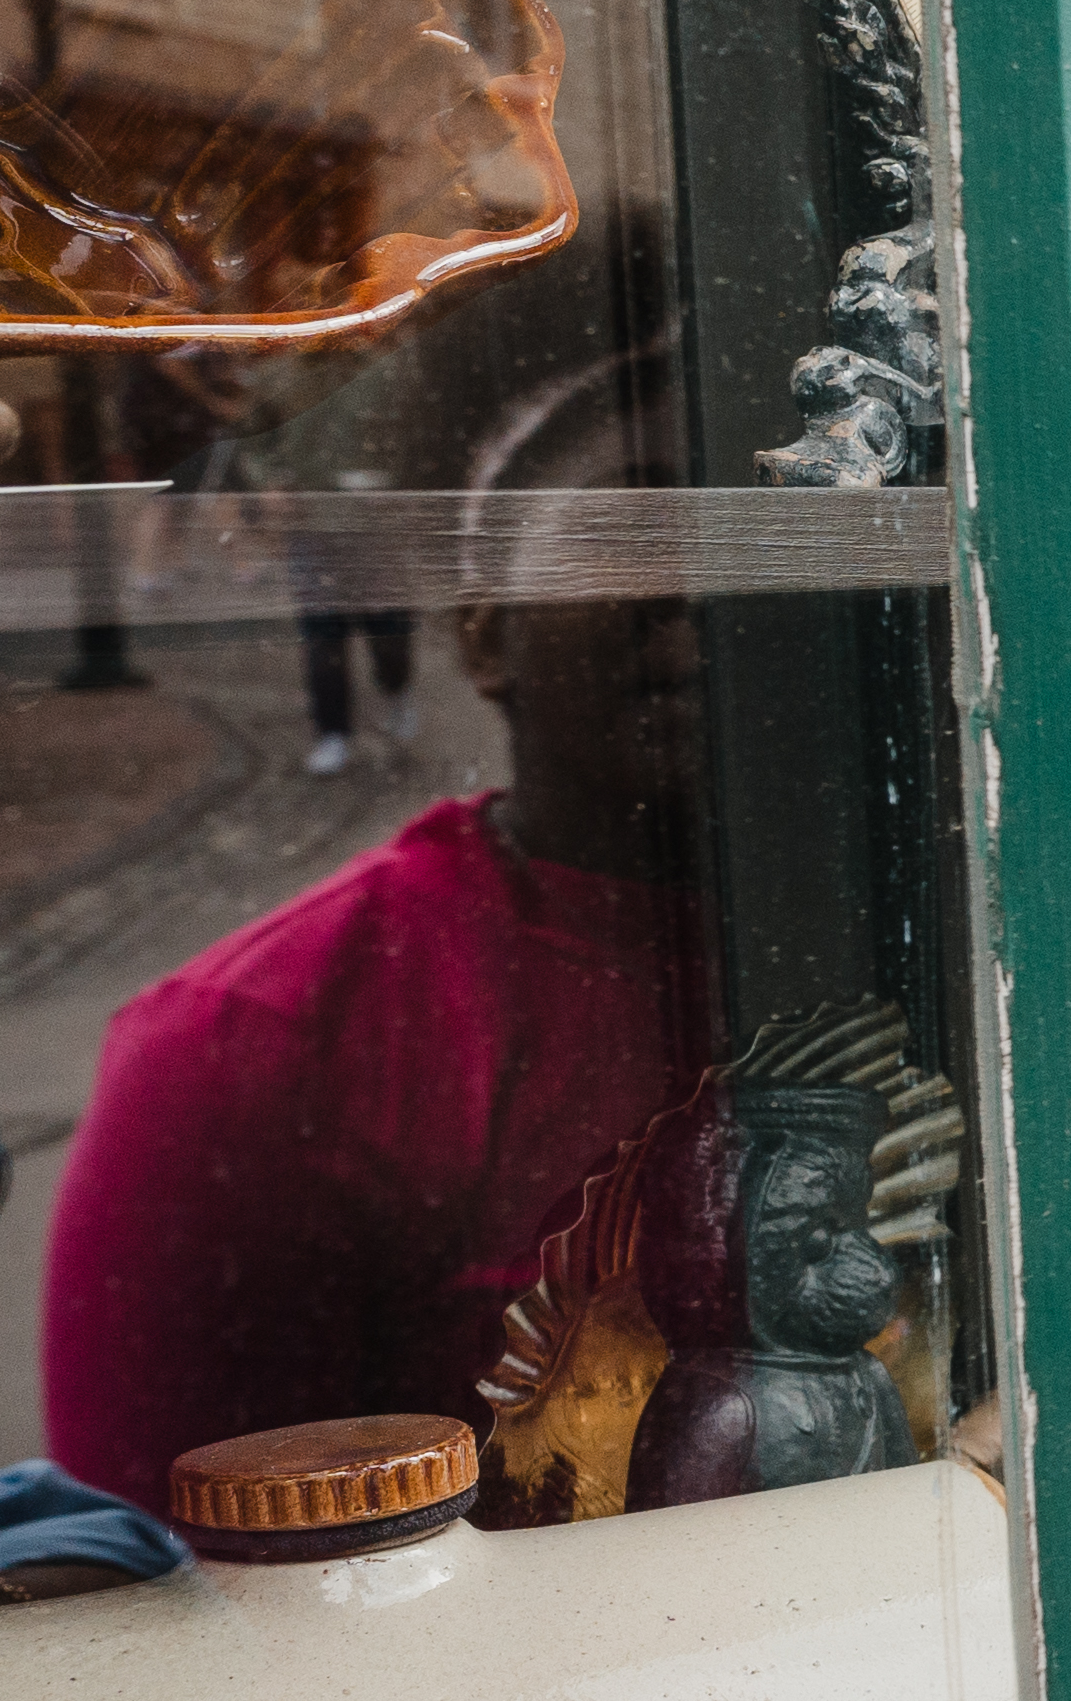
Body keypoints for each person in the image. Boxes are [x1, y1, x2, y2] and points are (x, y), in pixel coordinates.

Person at [39, 357, 722, 1506]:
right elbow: (154, 1612)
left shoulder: (1021, 950)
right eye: (641, 522)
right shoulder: (254, 1053)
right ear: (485, 635)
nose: (711, 580)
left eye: (781, 516)